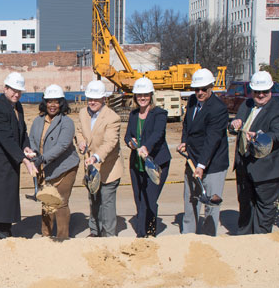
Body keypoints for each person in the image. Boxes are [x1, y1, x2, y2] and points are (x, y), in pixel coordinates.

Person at [229, 71, 279, 235]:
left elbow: (277, 134)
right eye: (257, 92)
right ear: (252, 91)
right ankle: (245, 239)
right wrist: (233, 125)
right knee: (245, 206)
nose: (261, 95)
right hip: (245, 166)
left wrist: (260, 136)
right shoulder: (247, 105)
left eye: (265, 91)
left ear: (271, 90)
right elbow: (237, 125)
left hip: (267, 169)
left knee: (265, 209)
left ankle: (262, 243)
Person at [178, 68, 229, 236]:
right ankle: (188, 236)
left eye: (203, 89)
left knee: (210, 206)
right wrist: (184, 141)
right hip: (192, 160)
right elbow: (187, 125)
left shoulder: (218, 108)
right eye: (196, 89)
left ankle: (208, 241)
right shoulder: (192, 101)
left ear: (211, 87)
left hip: (213, 164)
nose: (199, 93)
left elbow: (212, 139)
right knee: (191, 201)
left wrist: (201, 165)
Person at [0, 72, 34, 239]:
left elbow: (21, 131)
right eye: (13, 90)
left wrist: (26, 146)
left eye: (19, 91)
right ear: (5, 88)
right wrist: (24, 159)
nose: (16, 94)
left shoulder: (17, 106)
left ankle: (6, 228)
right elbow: (5, 138)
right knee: (1, 195)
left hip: (12, 157)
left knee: (9, 194)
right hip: (0, 161)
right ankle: (0, 232)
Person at [28, 84, 80, 240]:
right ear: (45, 102)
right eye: (49, 101)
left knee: (60, 202)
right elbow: (32, 139)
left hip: (65, 167)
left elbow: (63, 145)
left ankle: (62, 237)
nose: (52, 105)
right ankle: (46, 235)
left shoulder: (67, 122)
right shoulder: (38, 121)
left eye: (56, 102)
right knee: (46, 201)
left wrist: (42, 158)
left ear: (61, 103)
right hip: (44, 167)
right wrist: (32, 155)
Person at [75, 80, 122, 237]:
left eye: (96, 99)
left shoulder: (112, 118)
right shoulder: (83, 113)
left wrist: (96, 157)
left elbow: (110, 142)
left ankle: (109, 235)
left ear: (104, 99)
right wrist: (81, 141)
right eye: (90, 98)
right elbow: (79, 131)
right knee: (93, 200)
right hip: (91, 168)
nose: (92, 102)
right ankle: (94, 232)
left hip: (108, 168)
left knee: (107, 204)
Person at [124, 78, 171, 238]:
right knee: (139, 198)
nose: (142, 98)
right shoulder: (134, 114)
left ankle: (148, 233)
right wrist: (131, 143)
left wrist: (146, 147)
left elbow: (158, 134)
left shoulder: (159, 114)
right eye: (139, 95)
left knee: (149, 199)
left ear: (151, 95)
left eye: (145, 95)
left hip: (156, 162)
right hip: (137, 164)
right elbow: (127, 136)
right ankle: (142, 230)